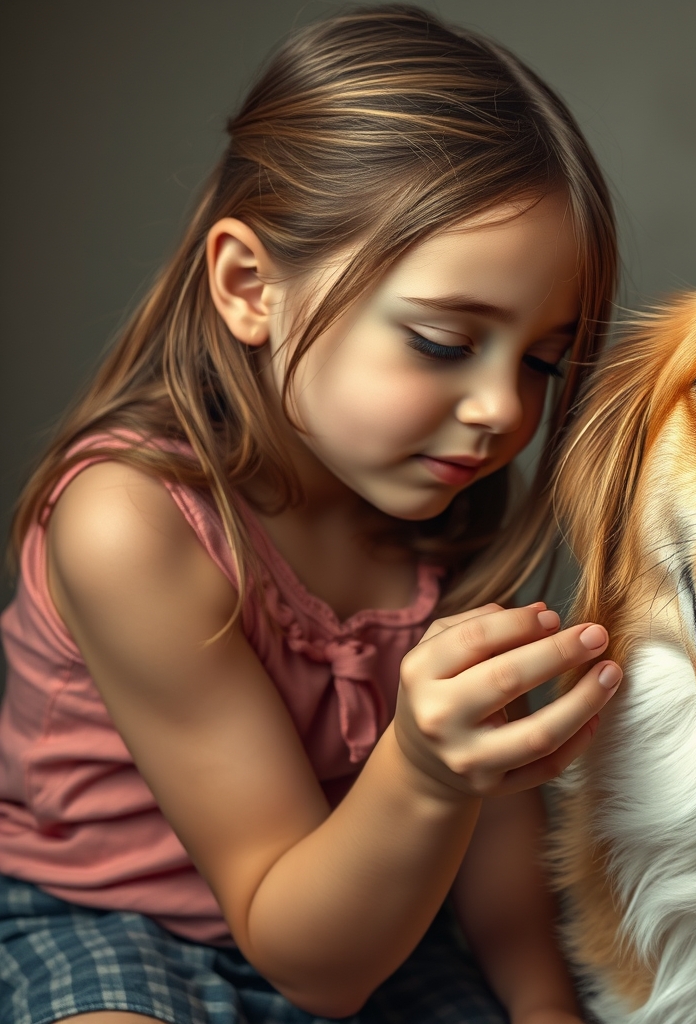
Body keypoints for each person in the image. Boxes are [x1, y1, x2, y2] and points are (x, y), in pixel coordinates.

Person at [0, 7, 621, 1023]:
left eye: (542, 362)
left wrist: (544, 1006)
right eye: (442, 341)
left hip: (378, 912)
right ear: (251, 287)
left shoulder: (446, 511)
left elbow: (498, 853)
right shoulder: (131, 523)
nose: (503, 411)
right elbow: (306, 958)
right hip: (118, 925)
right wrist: (425, 768)